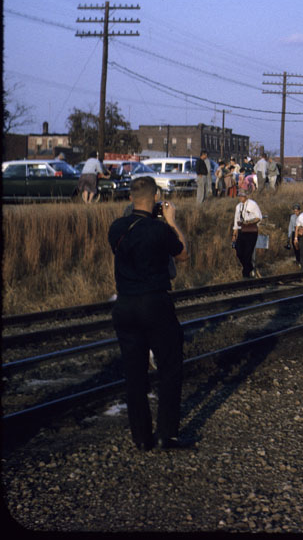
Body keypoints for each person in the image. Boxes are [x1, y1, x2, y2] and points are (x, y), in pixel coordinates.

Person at [107, 175, 193, 451]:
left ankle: (142, 438)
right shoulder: (160, 229)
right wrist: (171, 220)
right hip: (155, 302)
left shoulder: (116, 228)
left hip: (125, 305)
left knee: (134, 373)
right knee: (169, 367)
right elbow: (182, 254)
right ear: (156, 197)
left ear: (131, 198)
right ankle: (167, 434)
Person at [231, 189, 263, 278]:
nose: (241, 198)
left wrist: (249, 222)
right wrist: (234, 234)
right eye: (240, 196)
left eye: (242, 196)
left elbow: (258, 217)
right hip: (241, 230)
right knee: (239, 251)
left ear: (246, 196)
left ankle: (246, 274)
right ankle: (249, 267)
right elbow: (236, 220)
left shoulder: (252, 204)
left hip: (251, 231)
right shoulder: (238, 207)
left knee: (248, 252)